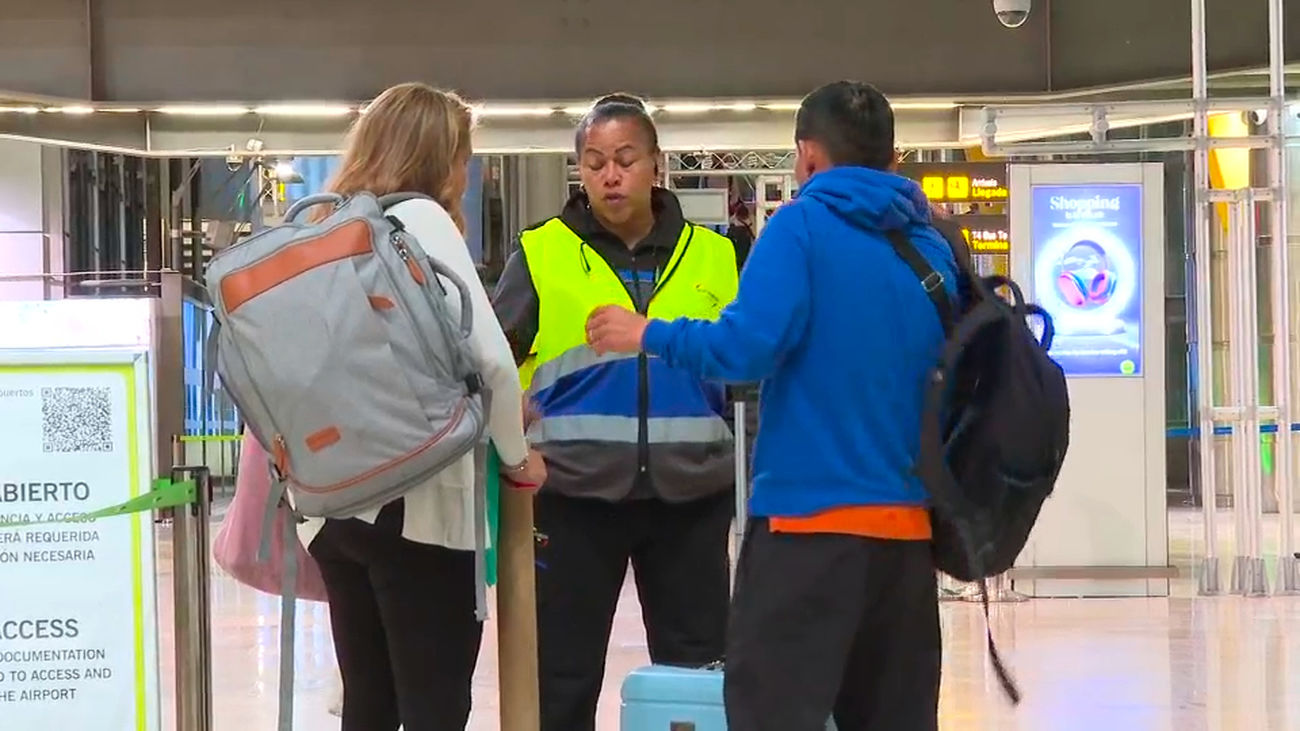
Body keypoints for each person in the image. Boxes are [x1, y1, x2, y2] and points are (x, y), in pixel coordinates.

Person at [585, 80, 959, 731]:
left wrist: (647, 332)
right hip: (905, 546)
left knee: (770, 713)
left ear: (807, 157)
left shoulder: (802, 228)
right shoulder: (932, 248)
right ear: (893, 160)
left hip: (807, 536)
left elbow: (744, 348)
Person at [298, 82, 548, 731]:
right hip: (420, 512)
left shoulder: (326, 226)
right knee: (436, 707)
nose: (466, 174)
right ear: (441, 157)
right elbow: (492, 362)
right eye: (463, 156)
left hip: (335, 512)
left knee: (369, 705)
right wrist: (518, 459)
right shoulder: (422, 222)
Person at [492, 93, 739, 731]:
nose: (609, 175)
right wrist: (517, 445)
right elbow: (491, 366)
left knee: (698, 678)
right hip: (572, 500)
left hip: (691, 498)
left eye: (625, 159)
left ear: (656, 164)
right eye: (594, 162)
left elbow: (745, 368)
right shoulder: (542, 254)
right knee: (562, 679)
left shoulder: (715, 256)